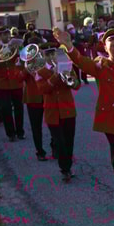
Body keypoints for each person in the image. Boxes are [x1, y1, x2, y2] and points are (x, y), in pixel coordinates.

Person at [55, 27, 114, 218]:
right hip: (111, 121)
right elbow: (81, 62)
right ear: (105, 48)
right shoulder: (100, 65)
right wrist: (69, 46)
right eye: (111, 45)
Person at [36, 43, 81, 181]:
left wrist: (71, 80)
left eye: (52, 54)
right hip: (52, 113)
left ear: (56, 54)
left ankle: (67, 167)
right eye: (47, 54)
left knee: (69, 141)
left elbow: (77, 85)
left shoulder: (67, 66)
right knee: (60, 142)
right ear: (43, 56)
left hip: (68, 110)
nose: (50, 57)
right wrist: (55, 76)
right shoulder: (40, 71)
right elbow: (42, 90)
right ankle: (65, 169)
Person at [0, 26, 25, 141]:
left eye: (7, 34)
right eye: (4, 34)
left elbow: (23, 59)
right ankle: (11, 134)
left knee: (19, 107)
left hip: (16, 82)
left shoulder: (15, 45)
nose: (7, 36)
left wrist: (19, 51)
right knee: (6, 109)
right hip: (2, 83)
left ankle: (20, 132)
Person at [21, 37, 51, 161]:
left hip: (47, 96)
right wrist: (27, 69)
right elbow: (19, 77)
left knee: (53, 124)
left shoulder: (45, 59)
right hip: (33, 98)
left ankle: (55, 147)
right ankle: (40, 151)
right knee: (36, 127)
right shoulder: (24, 62)